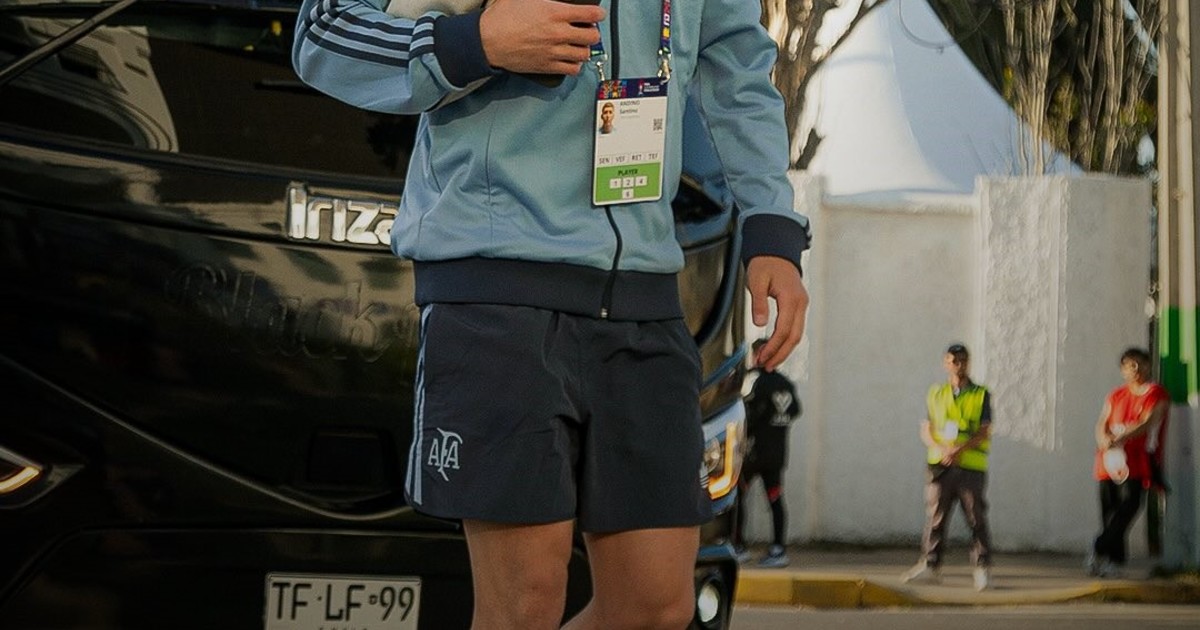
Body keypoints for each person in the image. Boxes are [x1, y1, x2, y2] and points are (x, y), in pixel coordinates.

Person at [292, 1, 811, 628]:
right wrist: (477, 42)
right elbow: (324, 31)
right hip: (497, 289)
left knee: (656, 607)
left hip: (644, 294)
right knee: (524, 606)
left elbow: (736, 61)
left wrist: (770, 223)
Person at [901, 343, 994, 591]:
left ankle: (982, 568)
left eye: (963, 360)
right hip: (940, 465)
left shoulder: (980, 394)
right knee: (935, 517)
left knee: (976, 517)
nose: (959, 365)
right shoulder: (936, 393)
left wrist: (959, 449)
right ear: (946, 363)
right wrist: (942, 449)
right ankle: (930, 565)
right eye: (954, 361)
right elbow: (926, 429)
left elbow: (984, 431)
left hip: (969, 466)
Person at [1087, 347, 1169, 578]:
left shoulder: (1155, 393)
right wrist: (1103, 439)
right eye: (1130, 365)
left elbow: (1148, 422)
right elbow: (1102, 422)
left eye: (1141, 363)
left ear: (1148, 365)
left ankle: (1099, 546)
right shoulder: (1116, 395)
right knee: (1109, 511)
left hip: (1137, 460)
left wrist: (1122, 437)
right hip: (1109, 461)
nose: (1136, 369)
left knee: (1129, 505)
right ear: (1123, 370)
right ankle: (1113, 561)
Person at [733, 338, 801, 568]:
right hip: (777, 454)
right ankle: (778, 548)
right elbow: (795, 411)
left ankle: (738, 545)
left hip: (753, 454)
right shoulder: (786, 384)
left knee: (737, 496)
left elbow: (748, 415)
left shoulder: (756, 382)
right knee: (775, 498)